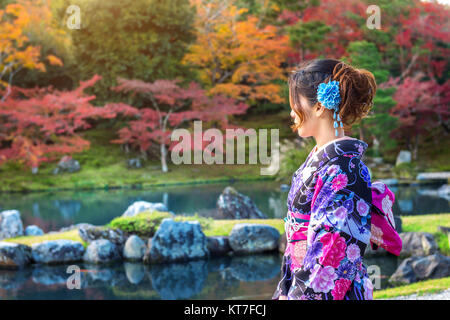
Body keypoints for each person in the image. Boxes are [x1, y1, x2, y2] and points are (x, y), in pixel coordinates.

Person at [272, 58, 378, 300]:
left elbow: (331, 255)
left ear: (319, 106)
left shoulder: (343, 170)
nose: (291, 112)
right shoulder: (322, 162)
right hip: (299, 283)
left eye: (294, 103)